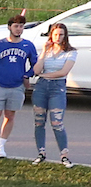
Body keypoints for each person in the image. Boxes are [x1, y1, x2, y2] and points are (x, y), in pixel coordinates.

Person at [0, 13, 40, 159]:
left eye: (21, 26)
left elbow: (35, 64)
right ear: (9, 27)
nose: (18, 29)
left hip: (17, 86)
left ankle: (1, 146)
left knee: (10, 116)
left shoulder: (28, 45)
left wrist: (28, 75)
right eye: (16, 26)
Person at [33, 21, 74, 165]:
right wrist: (44, 51)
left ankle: (64, 155)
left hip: (57, 87)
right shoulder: (46, 50)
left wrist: (45, 75)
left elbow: (63, 72)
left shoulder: (70, 51)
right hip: (41, 88)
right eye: (55, 34)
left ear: (65, 36)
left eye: (61, 34)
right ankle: (41, 153)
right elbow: (36, 70)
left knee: (57, 122)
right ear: (51, 35)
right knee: (39, 121)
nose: (58, 37)